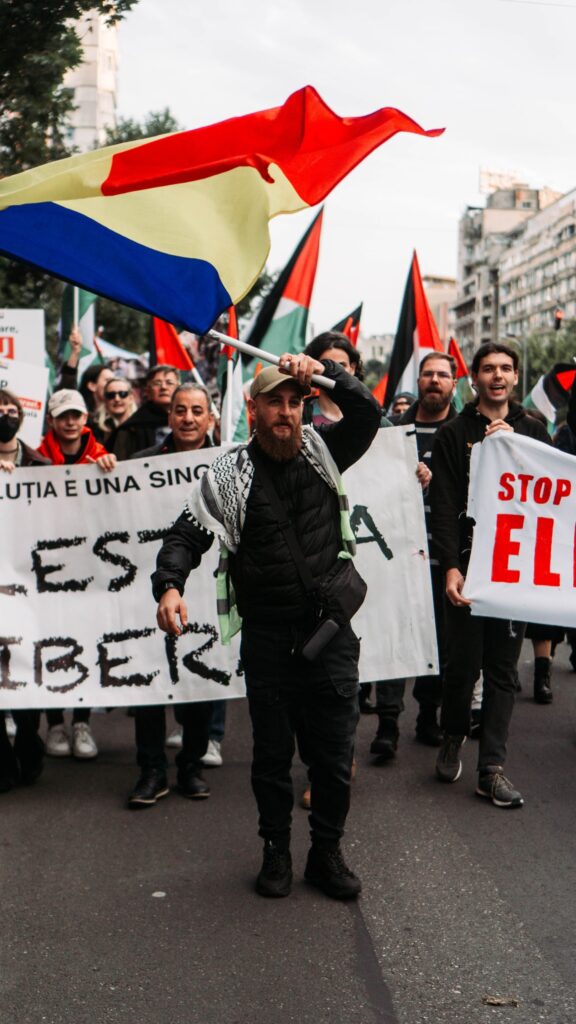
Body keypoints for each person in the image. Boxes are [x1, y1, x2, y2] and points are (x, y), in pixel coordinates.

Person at [152, 351, 380, 899]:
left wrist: (325, 373)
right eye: (274, 402)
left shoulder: (326, 451)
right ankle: (276, 850)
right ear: (252, 410)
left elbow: (367, 413)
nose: (286, 412)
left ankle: (326, 853)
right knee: (272, 758)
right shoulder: (226, 475)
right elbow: (184, 536)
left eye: (294, 402)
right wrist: (170, 586)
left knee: (333, 757)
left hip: (330, 636)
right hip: (269, 641)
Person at [430, 342, 550, 809]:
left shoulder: (534, 430)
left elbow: (548, 498)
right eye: (488, 369)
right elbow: (443, 505)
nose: (497, 376)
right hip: (469, 568)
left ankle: (491, 769)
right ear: (475, 378)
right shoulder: (453, 433)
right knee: (462, 667)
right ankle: (453, 733)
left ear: (516, 377)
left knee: (503, 670)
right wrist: (450, 567)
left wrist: (515, 450)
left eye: (505, 368)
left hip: (513, 571)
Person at [126, 383, 217, 808]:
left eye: (197, 410)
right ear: (170, 416)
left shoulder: (227, 464)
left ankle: (191, 766)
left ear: (210, 418)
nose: (188, 418)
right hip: (151, 589)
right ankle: (151, 769)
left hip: (207, 590)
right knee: (148, 679)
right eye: (181, 410)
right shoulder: (141, 465)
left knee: (201, 676)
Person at [371, 352, 457, 758]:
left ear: (454, 383)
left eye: (443, 374)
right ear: (418, 381)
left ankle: (428, 716)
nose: (434, 380)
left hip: (444, 558)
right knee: (394, 640)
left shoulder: (462, 434)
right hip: (398, 557)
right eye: (428, 374)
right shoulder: (390, 431)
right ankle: (387, 724)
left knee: (437, 643)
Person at [37, 388, 117, 759]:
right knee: (50, 640)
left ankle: (82, 721)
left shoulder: (101, 457)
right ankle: (55, 723)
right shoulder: (34, 460)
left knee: (85, 638)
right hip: (46, 569)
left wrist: (113, 468)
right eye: (63, 416)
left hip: (88, 568)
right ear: (51, 421)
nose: (70, 422)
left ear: (85, 419)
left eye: (76, 415)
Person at [0, 390, 48, 791]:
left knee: (25, 668)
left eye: (11, 409)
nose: (5, 414)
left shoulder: (41, 466)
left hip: (32, 589)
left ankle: (29, 740)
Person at [110, 364, 180, 461]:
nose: (163, 387)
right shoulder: (131, 429)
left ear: (178, 388)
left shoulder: (187, 421)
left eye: (169, 383)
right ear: (147, 391)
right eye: (157, 383)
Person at [92, 376, 138, 446]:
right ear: (105, 399)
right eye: (111, 395)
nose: (117, 399)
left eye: (122, 394)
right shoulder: (95, 429)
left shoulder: (141, 427)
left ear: (131, 398)